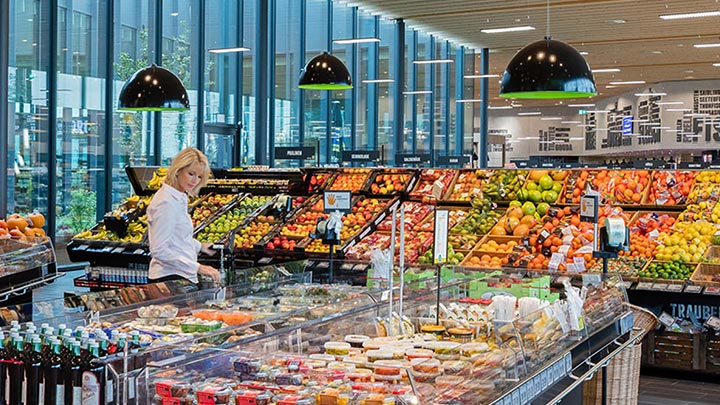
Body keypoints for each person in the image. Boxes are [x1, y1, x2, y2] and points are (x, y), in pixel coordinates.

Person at [147, 147, 221, 285]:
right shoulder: (166, 202)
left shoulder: (179, 197)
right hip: (169, 278)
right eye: (191, 173)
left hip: (180, 276)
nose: (195, 181)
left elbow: (177, 237)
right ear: (178, 170)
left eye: (199, 177)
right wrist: (198, 267)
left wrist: (200, 246)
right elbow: (159, 250)